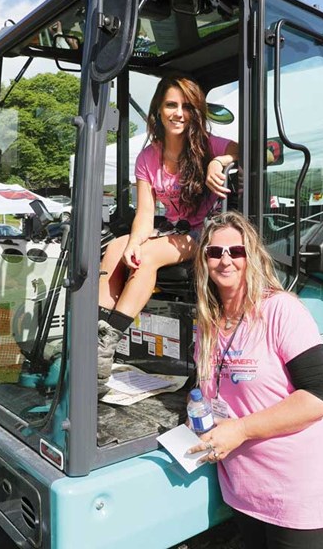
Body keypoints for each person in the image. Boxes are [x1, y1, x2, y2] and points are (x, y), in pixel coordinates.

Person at [188, 211, 323, 549]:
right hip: (245, 494)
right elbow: (212, 387)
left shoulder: (280, 310)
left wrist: (241, 430)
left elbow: (320, 395)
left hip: (296, 494)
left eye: (236, 251)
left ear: (252, 256)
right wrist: (196, 405)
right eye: (214, 252)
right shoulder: (208, 323)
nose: (225, 260)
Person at [96, 75, 239, 395]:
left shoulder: (208, 145)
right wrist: (134, 240)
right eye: (171, 105)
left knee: (145, 256)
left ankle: (106, 346)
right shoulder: (147, 157)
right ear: (158, 111)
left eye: (187, 106)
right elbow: (145, 213)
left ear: (197, 111)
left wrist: (220, 161)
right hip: (171, 228)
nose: (179, 113)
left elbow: (244, 150)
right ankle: (96, 338)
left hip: (205, 231)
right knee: (117, 246)